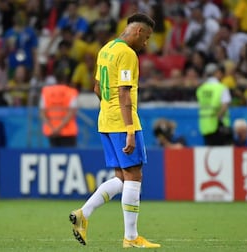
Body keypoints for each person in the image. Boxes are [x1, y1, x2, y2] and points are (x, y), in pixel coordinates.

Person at [69, 13, 160, 248]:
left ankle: (83, 214)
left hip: (105, 121)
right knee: (134, 175)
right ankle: (131, 238)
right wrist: (129, 129)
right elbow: (124, 93)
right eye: (147, 37)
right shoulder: (127, 54)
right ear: (138, 31)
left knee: (121, 178)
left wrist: (109, 111)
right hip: (123, 122)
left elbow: (97, 88)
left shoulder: (106, 49)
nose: (146, 43)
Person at [39, 69, 78, 147]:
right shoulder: (71, 92)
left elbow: (42, 113)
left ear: (55, 79)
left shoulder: (46, 92)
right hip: (68, 132)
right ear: (65, 79)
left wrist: (53, 128)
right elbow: (71, 113)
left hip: (52, 132)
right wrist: (59, 128)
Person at [196, 63, 232, 146]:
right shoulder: (221, 88)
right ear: (217, 73)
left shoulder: (201, 89)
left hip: (205, 125)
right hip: (218, 126)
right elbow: (224, 106)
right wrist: (218, 118)